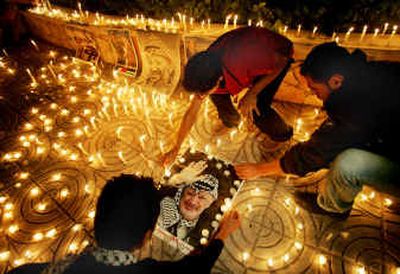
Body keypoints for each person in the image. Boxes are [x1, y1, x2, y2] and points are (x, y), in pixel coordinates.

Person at [235, 42, 400, 215]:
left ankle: (333, 207)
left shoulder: (357, 108)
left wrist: (259, 170)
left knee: (347, 164)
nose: (312, 93)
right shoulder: (369, 73)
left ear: (336, 81)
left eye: (314, 88)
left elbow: (314, 154)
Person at [7, 174, 240, 274]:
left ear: (97, 220)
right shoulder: (150, 272)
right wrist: (221, 236)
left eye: (203, 198)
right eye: (191, 193)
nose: (193, 200)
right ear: (148, 236)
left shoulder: (42, 269)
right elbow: (194, 270)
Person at [162, 26, 294, 166]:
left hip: (278, 55)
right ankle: (231, 121)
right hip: (244, 63)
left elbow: (282, 61)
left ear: (218, 80)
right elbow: (191, 113)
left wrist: (252, 93)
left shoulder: (244, 57)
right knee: (218, 98)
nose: (201, 97)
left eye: (204, 92)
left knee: (258, 109)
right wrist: (176, 147)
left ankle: (282, 135)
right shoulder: (206, 66)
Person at [158, 174, 218, 243]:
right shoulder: (162, 207)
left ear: (209, 203)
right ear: (181, 192)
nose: (193, 201)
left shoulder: (204, 234)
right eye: (190, 193)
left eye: (202, 197)